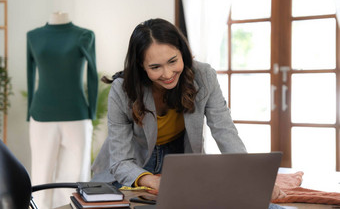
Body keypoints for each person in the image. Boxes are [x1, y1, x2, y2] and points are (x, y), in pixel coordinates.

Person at [91, 18, 285, 203]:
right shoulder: (122, 89)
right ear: (141, 66)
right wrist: (151, 180)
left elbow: (225, 131)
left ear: (182, 53)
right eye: (155, 67)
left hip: (179, 159)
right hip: (133, 165)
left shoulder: (204, 76)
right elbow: (121, 161)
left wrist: (252, 176)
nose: (167, 74)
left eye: (173, 61)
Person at [27, 12, 98, 208]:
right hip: (41, 115)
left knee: (78, 176)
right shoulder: (33, 36)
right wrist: (29, 110)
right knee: (41, 175)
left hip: (77, 115)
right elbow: (30, 74)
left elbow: (92, 74)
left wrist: (91, 111)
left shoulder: (85, 35)